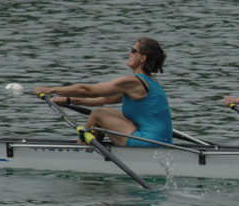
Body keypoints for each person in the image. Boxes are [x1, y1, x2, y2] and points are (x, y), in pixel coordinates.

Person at [34, 38, 173, 147]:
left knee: (99, 114)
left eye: (133, 50)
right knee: (106, 111)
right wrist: (69, 100)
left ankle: (83, 150)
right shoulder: (150, 82)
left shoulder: (133, 82)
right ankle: (93, 147)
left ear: (142, 58)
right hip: (161, 142)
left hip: (149, 143)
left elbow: (88, 91)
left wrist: (50, 89)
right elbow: (101, 100)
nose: (129, 53)